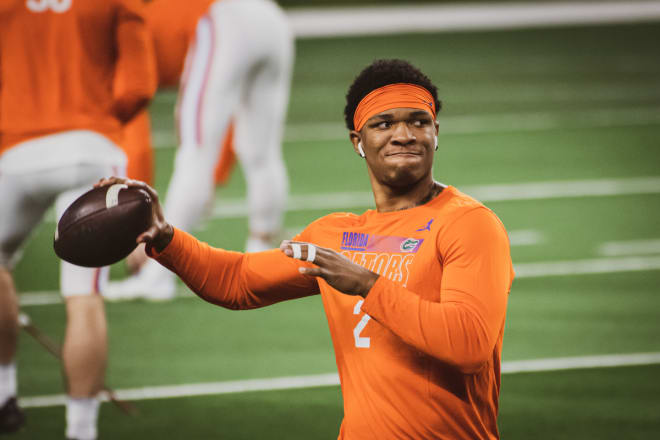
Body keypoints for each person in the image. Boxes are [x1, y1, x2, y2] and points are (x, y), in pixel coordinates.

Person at [98, 59, 514, 439]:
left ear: (436, 133)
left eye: (419, 122)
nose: (403, 135)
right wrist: (166, 236)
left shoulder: (468, 224)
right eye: (384, 124)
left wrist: (368, 284)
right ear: (358, 140)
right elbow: (236, 281)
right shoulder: (335, 236)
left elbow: (468, 346)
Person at [0, 1, 156, 438]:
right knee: (83, 296)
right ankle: (81, 430)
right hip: (90, 147)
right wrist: (98, 120)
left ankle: (4, 393)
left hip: (15, 149)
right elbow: (139, 85)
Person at [105, 0, 294, 301]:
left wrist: (138, 223)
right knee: (263, 151)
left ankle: (159, 274)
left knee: (196, 152)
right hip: (271, 17)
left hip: (225, 18)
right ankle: (263, 256)